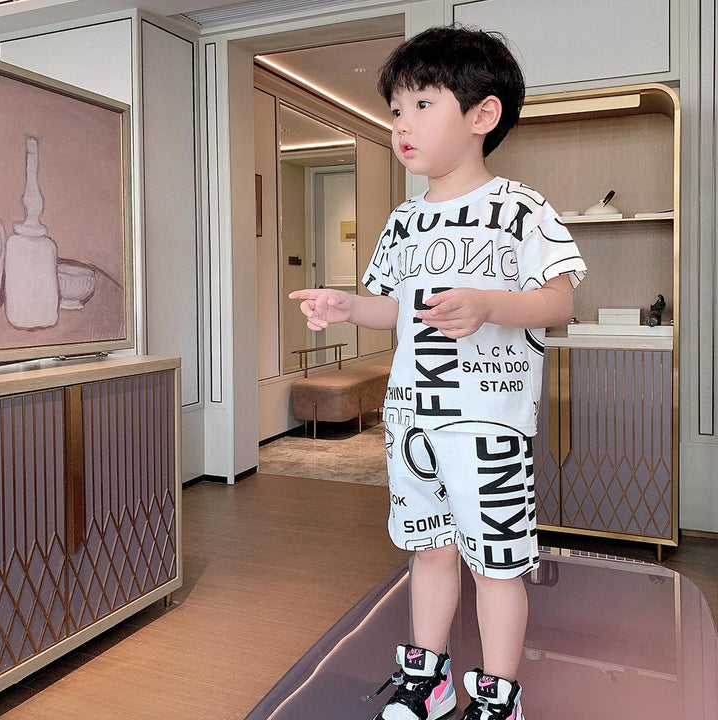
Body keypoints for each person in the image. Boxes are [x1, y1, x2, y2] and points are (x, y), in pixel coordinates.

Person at [289, 25, 586, 720]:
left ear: (483, 115)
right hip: (413, 420)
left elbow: (560, 301)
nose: (402, 124)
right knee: (428, 551)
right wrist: (346, 305)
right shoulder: (402, 221)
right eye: (396, 109)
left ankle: (499, 696)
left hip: (489, 429)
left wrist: (489, 305)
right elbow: (395, 309)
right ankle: (429, 680)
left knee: (496, 564)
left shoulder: (521, 210)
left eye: (423, 104)